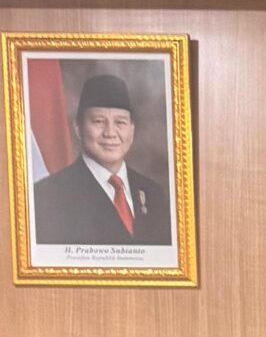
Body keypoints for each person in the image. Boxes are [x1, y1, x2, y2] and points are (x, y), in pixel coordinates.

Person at [32, 72, 172, 246]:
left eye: (120, 123)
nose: (110, 133)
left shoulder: (155, 195)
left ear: (132, 130)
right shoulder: (48, 195)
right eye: (98, 121)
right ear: (78, 128)